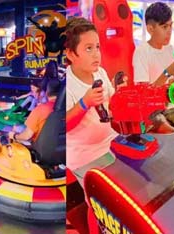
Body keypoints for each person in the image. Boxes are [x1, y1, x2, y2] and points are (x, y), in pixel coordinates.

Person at [64, 17, 117, 182]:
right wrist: (84, 103)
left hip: (112, 144)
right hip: (85, 158)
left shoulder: (100, 72)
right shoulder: (65, 83)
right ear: (71, 54)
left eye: (97, 47)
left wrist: (119, 92)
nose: (96, 54)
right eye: (88, 48)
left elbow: (112, 104)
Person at [132, 2, 174, 86]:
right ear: (150, 29)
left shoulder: (169, 48)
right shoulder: (142, 52)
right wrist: (167, 73)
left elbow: (172, 83)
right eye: (164, 27)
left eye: (170, 25)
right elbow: (144, 92)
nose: (169, 31)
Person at [8, 79, 61, 143]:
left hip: (39, 142)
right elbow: (26, 95)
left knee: (15, 128)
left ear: (47, 92)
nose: (32, 89)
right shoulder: (66, 107)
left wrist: (14, 136)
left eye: (33, 87)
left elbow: (27, 136)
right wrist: (17, 98)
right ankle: (20, 109)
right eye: (31, 87)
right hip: (55, 141)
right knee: (30, 98)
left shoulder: (41, 106)